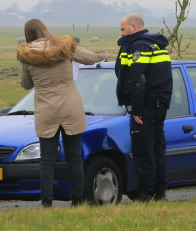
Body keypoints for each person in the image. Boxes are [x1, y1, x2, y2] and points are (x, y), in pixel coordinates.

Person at [17, 19, 108, 207]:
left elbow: (26, 84)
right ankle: (77, 199)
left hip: (46, 109)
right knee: (74, 157)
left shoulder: (26, 54)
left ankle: (46, 201)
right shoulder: (64, 47)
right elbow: (90, 58)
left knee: (47, 159)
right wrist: (102, 56)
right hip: (70, 107)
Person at [115, 13, 172, 201]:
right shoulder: (157, 45)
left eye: (123, 29)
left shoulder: (139, 47)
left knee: (142, 151)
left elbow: (137, 80)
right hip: (159, 105)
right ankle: (160, 192)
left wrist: (136, 110)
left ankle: (146, 194)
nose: (121, 34)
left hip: (145, 106)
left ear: (133, 26)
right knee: (157, 150)